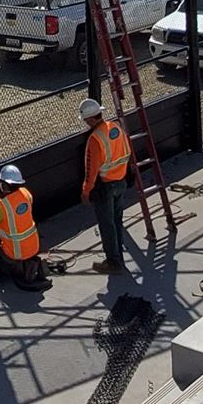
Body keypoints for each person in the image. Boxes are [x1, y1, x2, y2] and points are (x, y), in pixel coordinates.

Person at [79, 98, 133, 277]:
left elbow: (91, 170)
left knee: (107, 224)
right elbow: (127, 151)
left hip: (105, 187)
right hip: (121, 181)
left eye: (86, 120)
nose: (86, 123)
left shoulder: (95, 139)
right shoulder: (115, 128)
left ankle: (113, 262)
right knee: (117, 220)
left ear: (91, 119)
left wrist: (86, 191)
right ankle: (118, 256)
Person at [0, 164, 47, 291]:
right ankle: (27, 268)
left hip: (15, 252)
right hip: (34, 246)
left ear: (5, 185)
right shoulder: (26, 194)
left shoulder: (2, 207)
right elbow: (12, 207)